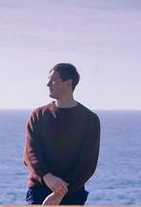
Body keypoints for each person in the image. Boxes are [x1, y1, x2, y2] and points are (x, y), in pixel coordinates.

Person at [23, 63, 101, 205]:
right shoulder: (38, 115)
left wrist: (60, 193)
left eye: (53, 80)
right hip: (40, 188)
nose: (48, 84)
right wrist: (48, 178)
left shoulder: (90, 119)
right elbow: (30, 153)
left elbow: (87, 163)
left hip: (73, 190)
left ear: (68, 83)